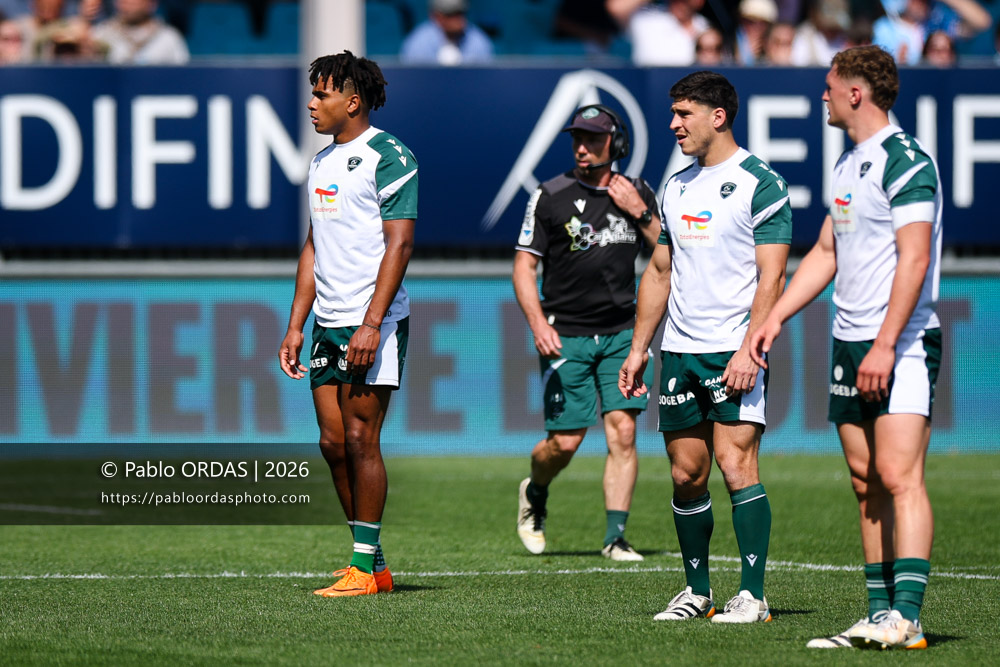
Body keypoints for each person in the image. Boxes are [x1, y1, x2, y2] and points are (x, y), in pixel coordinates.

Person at [749, 45, 941, 650]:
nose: (823, 95)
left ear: (856, 92)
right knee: (865, 481)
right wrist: (774, 317)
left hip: (901, 343)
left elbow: (915, 259)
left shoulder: (906, 161)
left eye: (829, 85)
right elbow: (827, 252)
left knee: (899, 475)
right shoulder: (847, 163)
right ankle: (879, 615)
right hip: (848, 341)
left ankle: (907, 619)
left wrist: (886, 344)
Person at [619, 71, 791, 623]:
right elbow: (660, 270)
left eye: (683, 113)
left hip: (732, 351)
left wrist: (750, 349)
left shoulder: (760, 183)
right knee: (685, 474)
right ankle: (697, 592)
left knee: (736, 465)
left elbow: (772, 277)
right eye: (673, 113)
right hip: (679, 352)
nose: (673, 124)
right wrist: (639, 348)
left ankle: (753, 596)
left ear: (718, 117)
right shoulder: (676, 186)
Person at [279, 51, 417, 597]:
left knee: (361, 438)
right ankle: (372, 563)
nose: (312, 104)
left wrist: (372, 323)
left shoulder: (390, 156)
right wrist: (296, 325)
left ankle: (363, 570)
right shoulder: (320, 162)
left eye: (322, 94)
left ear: (353, 102)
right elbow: (314, 245)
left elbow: (400, 244)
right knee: (333, 443)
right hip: (327, 323)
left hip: (372, 323)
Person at [514, 104, 661, 561]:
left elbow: (668, 253)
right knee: (565, 442)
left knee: (623, 431)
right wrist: (538, 323)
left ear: (616, 144)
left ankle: (615, 537)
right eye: (577, 138)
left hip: (621, 333)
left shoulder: (638, 192)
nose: (582, 147)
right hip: (566, 334)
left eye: (593, 139)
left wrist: (640, 213)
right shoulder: (550, 194)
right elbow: (524, 266)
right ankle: (535, 491)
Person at [607, 0, 710, 66]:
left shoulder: (705, 26)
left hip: (688, 90)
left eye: (686, 2)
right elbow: (616, 8)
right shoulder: (647, 19)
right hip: (648, 88)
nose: (681, 4)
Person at [91, 0, 189, 65]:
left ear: (152, 3)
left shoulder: (169, 38)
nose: (125, 2)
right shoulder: (101, 34)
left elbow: (183, 76)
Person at [399, 0, 494, 65]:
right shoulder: (418, 43)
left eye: (461, 13)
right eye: (451, 14)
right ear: (436, 16)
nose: (458, 19)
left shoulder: (478, 41)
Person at [735, 0, 778, 65]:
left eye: (762, 23)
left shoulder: (776, 44)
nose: (756, 27)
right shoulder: (728, 43)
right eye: (750, 21)